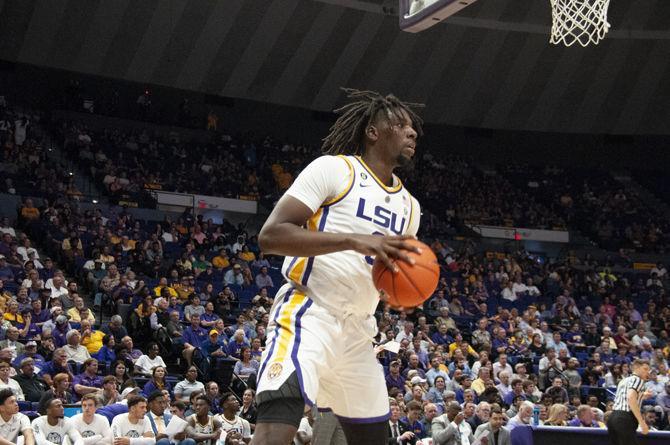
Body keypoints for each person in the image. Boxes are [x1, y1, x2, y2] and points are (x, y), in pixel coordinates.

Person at [253, 89, 423, 445]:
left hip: (359, 332)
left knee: (377, 438)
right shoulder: (334, 169)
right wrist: (353, 239)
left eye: (413, 128)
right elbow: (271, 236)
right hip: (310, 311)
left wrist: (404, 287)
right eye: (401, 125)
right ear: (373, 132)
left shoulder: (410, 207)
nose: (412, 133)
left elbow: (386, 275)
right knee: (279, 415)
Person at [606, 359, 653, 445]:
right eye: (645, 369)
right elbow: (631, 398)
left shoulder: (623, 380)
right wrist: (642, 422)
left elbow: (626, 397)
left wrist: (642, 395)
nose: (648, 372)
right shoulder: (638, 380)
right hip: (625, 418)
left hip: (612, 418)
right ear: (636, 368)